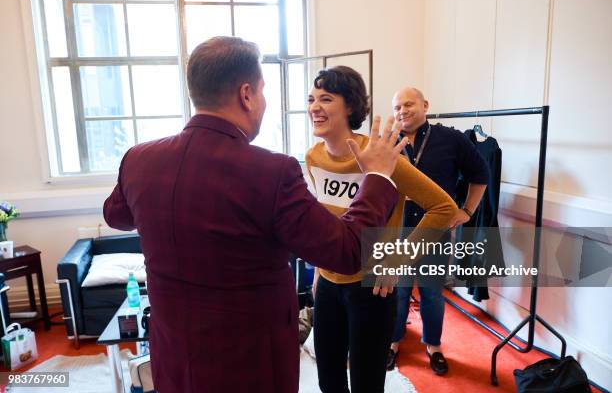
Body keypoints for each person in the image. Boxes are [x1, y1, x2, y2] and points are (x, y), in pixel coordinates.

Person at [103, 36, 408, 393]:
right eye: (262, 92)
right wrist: (378, 178)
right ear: (246, 94)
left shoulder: (139, 159)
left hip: (174, 357)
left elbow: (115, 215)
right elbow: (346, 251)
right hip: (249, 365)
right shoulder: (272, 172)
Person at [305, 66, 457, 393]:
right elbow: (327, 224)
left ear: (350, 107)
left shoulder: (382, 157)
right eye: (311, 99)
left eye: (326, 98)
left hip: (372, 290)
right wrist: (318, 274)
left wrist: (398, 259)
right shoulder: (313, 157)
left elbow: (444, 208)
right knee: (328, 380)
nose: (314, 106)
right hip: (329, 287)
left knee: (366, 384)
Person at [386, 87, 489, 375]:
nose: (402, 111)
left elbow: (481, 174)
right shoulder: (387, 142)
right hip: (396, 232)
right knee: (397, 291)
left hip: (435, 233)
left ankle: (433, 345)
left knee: (431, 293)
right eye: (397, 107)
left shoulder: (451, 139)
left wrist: (466, 211)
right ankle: (392, 342)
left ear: (425, 105)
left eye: (409, 104)